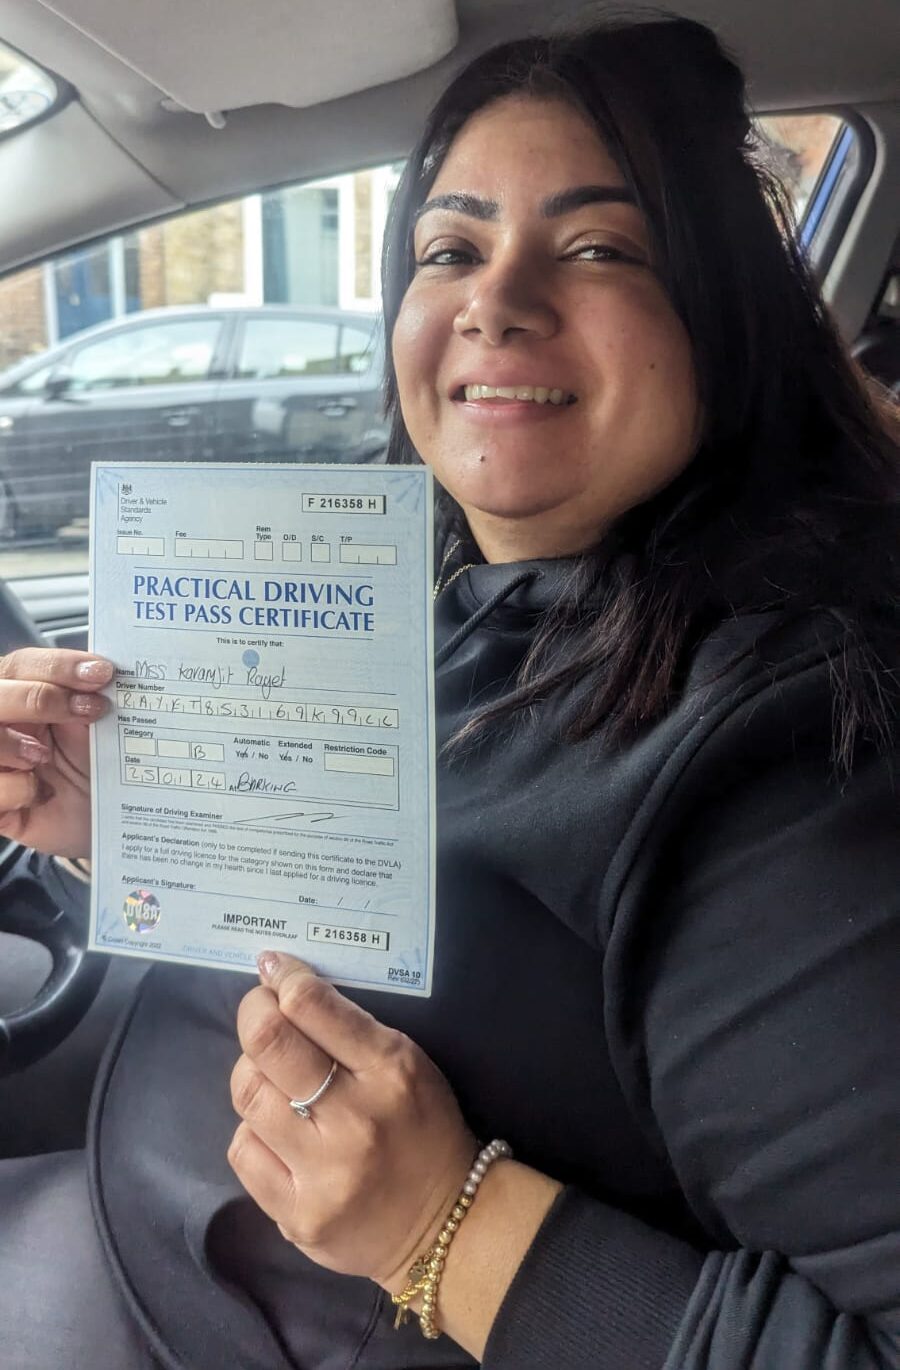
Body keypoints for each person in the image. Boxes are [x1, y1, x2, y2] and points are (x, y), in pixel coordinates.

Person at [0, 15, 898, 1370]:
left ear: (718, 307)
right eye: (449, 249)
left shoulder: (784, 756)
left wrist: (448, 1224)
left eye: (598, 246)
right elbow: (409, 904)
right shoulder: (428, 586)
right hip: (107, 1243)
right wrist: (133, 817)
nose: (495, 298)